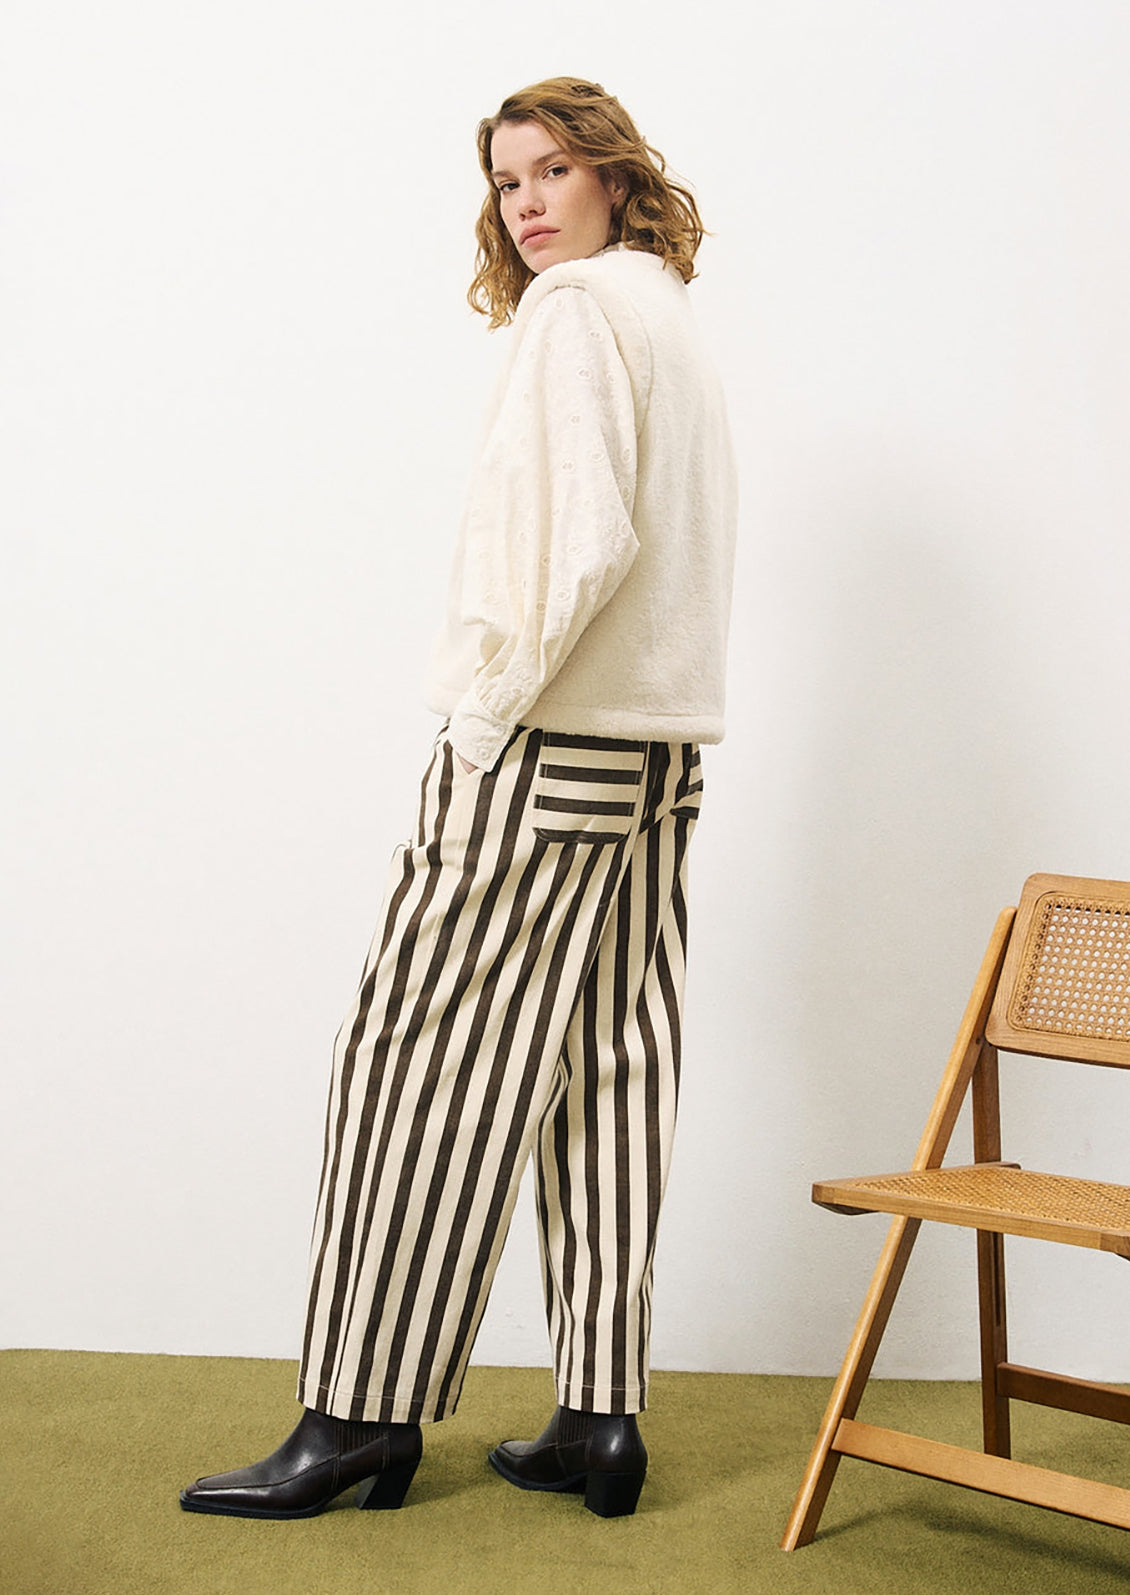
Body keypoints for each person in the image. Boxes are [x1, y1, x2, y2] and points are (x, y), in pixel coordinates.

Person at [180, 75, 736, 1522]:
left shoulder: (573, 319)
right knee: (610, 1065)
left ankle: (354, 1414)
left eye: (556, 169)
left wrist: (482, 715)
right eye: (507, 182)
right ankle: (596, 1419)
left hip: (547, 744)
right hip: (659, 755)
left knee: (413, 1065)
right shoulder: (664, 312)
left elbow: (575, 547)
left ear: (616, 175)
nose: (531, 200)